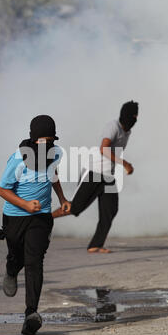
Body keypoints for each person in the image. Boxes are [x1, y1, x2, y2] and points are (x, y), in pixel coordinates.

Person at [0, 115, 71, 335]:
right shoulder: (18, 159)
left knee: (34, 261)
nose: (46, 144)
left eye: (50, 140)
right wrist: (26, 205)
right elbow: (2, 190)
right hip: (15, 218)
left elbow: (53, 175)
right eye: (42, 140)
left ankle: (31, 313)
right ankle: (11, 270)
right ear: (33, 139)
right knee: (17, 257)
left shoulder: (54, 153)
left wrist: (62, 199)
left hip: (41, 217)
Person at [53, 101, 139, 253]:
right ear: (125, 115)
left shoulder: (128, 132)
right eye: (133, 115)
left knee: (110, 209)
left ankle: (96, 244)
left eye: (136, 116)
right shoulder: (113, 126)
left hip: (108, 176)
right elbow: (103, 149)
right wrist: (124, 164)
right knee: (75, 208)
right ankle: (41, 220)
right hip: (94, 173)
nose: (134, 119)